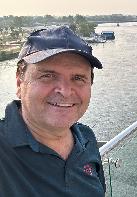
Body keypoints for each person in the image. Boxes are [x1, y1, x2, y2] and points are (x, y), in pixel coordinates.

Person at [0, 26, 106, 196]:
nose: (65, 91)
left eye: (78, 78)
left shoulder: (86, 138)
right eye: (47, 76)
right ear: (20, 84)